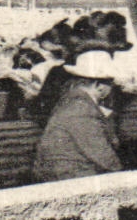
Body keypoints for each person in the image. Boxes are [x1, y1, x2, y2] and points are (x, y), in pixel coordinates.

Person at [31, 51, 124, 183]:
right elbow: (102, 154)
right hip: (71, 175)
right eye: (110, 83)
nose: (112, 88)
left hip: (64, 174)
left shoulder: (73, 100)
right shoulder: (82, 109)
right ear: (98, 85)